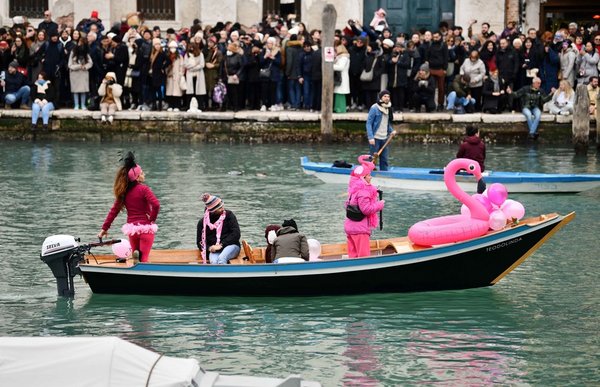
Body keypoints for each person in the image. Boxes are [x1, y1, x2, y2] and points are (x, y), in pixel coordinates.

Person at [98, 152, 160, 263]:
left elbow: (114, 211)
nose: (144, 174)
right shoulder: (144, 189)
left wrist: (104, 229)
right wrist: (152, 220)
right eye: (142, 172)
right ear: (137, 177)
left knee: (136, 259)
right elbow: (156, 204)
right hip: (145, 228)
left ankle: (136, 260)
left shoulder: (124, 192)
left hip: (132, 230)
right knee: (144, 260)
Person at [344, 155, 385, 258]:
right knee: (363, 257)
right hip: (360, 229)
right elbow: (366, 210)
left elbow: (347, 205)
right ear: (363, 177)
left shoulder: (353, 190)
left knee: (353, 256)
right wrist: (379, 204)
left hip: (350, 228)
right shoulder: (363, 192)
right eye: (369, 175)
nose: (371, 177)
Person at [196, 193, 241, 265]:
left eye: (222, 205)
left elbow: (236, 234)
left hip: (231, 246)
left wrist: (221, 245)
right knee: (214, 262)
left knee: (221, 258)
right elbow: (200, 242)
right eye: (220, 208)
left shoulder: (229, 215)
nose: (223, 208)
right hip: (214, 250)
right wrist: (209, 248)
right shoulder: (202, 223)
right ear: (213, 210)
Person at [366, 90, 396, 171]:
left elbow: (386, 123)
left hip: (384, 138)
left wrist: (391, 131)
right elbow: (368, 123)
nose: (387, 98)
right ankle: (368, 174)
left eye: (388, 96)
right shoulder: (374, 108)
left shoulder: (388, 108)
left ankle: (384, 174)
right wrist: (370, 137)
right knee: (372, 159)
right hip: (375, 138)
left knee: (384, 160)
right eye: (385, 96)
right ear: (381, 98)